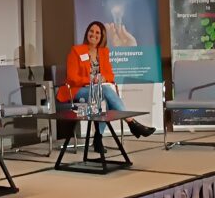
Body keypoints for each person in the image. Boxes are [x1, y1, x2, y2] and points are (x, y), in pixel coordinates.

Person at [59, 21, 155, 151]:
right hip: (77, 90)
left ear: (102, 36)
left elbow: (110, 75)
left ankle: (98, 138)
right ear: (87, 33)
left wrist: (104, 78)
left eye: (97, 33)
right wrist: (91, 80)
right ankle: (132, 123)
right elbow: (72, 78)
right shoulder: (76, 50)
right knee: (104, 90)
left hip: (98, 91)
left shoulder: (104, 52)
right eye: (91, 31)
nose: (94, 34)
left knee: (104, 97)